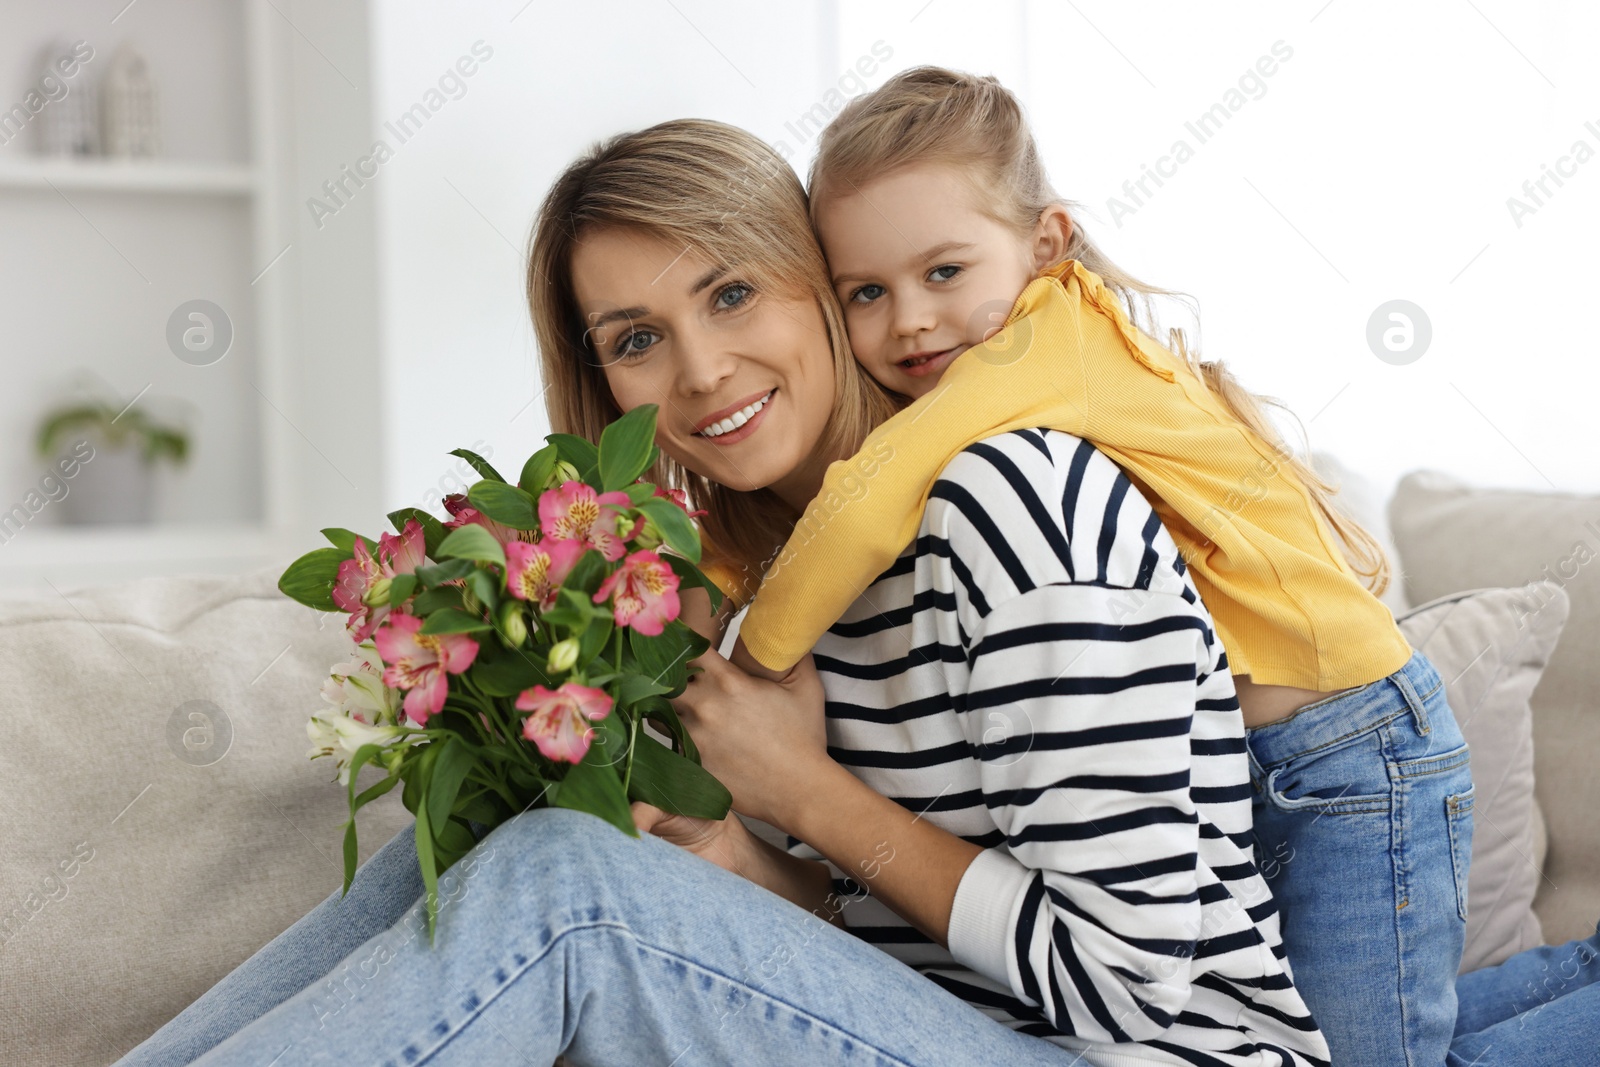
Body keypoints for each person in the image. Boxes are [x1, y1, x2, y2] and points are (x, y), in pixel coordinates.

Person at [113, 118, 1597, 1067]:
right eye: (635, 337)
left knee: (570, 899)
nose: (698, 372)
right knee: (490, 843)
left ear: (825, 285)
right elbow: (894, 961)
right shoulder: (754, 598)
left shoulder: (1016, 505)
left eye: (734, 292)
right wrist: (750, 866)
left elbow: (1146, 993)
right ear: (600, 376)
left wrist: (809, 799)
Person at [710, 65, 1600, 1065]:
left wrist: (750, 663)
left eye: (943, 272)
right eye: (866, 292)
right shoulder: (1024, 367)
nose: (909, 318)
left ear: (1043, 246)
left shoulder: (1029, 357)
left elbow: (867, 495)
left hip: (1353, 752)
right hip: (1287, 760)